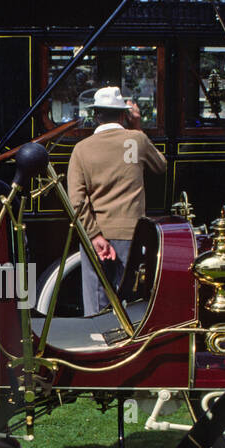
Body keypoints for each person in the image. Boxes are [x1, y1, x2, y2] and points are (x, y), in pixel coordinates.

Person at [66, 86, 167, 315]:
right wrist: (138, 127)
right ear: (123, 114)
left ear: (96, 115)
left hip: (96, 234)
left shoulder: (81, 149)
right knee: (132, 303)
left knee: (96, 301)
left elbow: (77, 200)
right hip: (132, 232)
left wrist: (94, 235)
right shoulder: (137, 140)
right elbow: (160, 165)